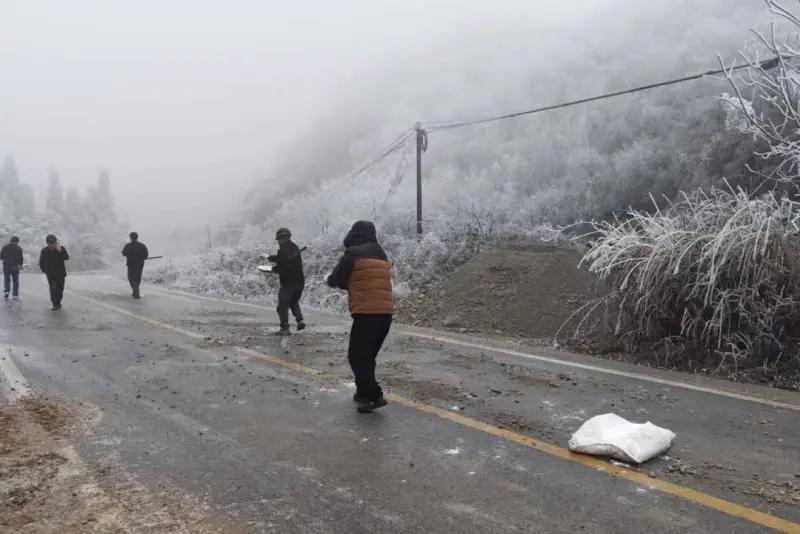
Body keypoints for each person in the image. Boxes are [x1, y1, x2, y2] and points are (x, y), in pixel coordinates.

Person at [327, 221, 393, 413]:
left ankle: (373, 396)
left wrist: (333, 281)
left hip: (367, 313)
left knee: (356, 356)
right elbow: (365, 281)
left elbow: (335, 278)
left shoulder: (352, 253)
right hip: (385, 313)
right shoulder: (381, 253)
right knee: (367, 356)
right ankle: (363, 392)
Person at [268, 228, 305, 335]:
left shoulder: (283, 250)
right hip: (300, 282)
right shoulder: (295, 248)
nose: (278, 241)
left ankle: (285, 328)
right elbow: (284, 259)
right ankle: (300, 320)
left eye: (279, 239)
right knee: (293, 301)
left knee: (282, 306)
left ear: (281, 239)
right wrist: (272, 258)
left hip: (288, 283)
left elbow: (282, 267)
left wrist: (272, 269)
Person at [39, 234, 69, 311]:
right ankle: (55, 304)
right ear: (47, 243)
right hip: (50, 274)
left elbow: (66, 258)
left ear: (56, 242)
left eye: (53, 243)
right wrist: (45, 270)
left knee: (60, 289)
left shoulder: (61, 248)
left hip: (60, 273)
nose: (51, 245)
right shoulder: (44, 251)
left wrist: (61, 251)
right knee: (53, 289)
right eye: (50, 243)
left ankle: (58, 302)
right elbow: (41, 262)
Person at [122, 232, 149, 299]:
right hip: (140, 265)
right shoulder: (142, 246)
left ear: (130, 238)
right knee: (137, 278)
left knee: (131, 278)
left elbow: (124, 253)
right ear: (137, 237)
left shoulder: (128, 245)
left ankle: (136, 292)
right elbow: (146, 256)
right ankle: (135, 291)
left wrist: (129, 254)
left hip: (131, 264)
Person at [1, 236, 23, 300]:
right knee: (15, 281)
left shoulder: (5, 247)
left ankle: (7, 291)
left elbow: (1, 257)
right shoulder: (19, 248)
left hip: (6, 266)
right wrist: (20, 265)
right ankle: (15, 295)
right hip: (15, 266)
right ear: (17, 242)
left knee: (7, 280)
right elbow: (21, 259)